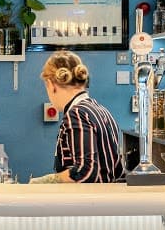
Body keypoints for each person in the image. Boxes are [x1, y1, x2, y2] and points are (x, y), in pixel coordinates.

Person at [34, 49, 125, 184]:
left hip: (88, 202)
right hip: (107, 198)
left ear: (51, 85)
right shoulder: (99, 109)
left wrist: (48, 180)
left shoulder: (76, 114)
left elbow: (86, 173)